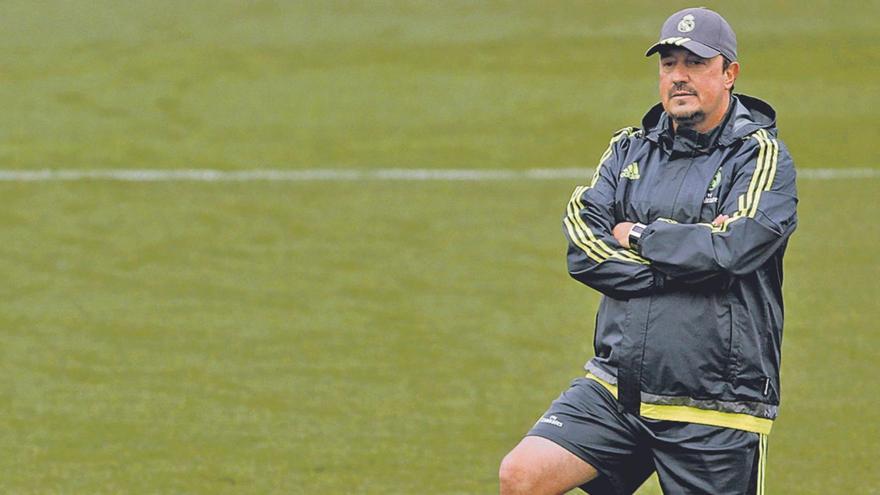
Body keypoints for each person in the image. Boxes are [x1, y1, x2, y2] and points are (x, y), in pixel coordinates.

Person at [499, 7, 798, 495]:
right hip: (619, 387)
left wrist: (637, 236)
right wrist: (683, 263)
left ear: (729, 73)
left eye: (696, 63)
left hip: (714, 403)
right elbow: (583, 245)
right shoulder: (628, 150)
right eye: (668, 63)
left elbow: (732, 250)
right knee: (522, 476)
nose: (678, 76)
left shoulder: (760, 156)